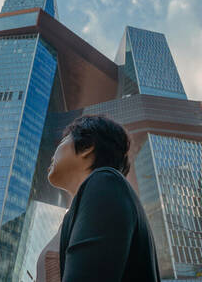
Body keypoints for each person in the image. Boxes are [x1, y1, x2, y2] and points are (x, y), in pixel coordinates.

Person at [36, 115, 161, 282]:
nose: (53, 154)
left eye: (63, 140)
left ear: (87, 146)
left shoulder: (105, 182)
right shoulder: (76, 215)